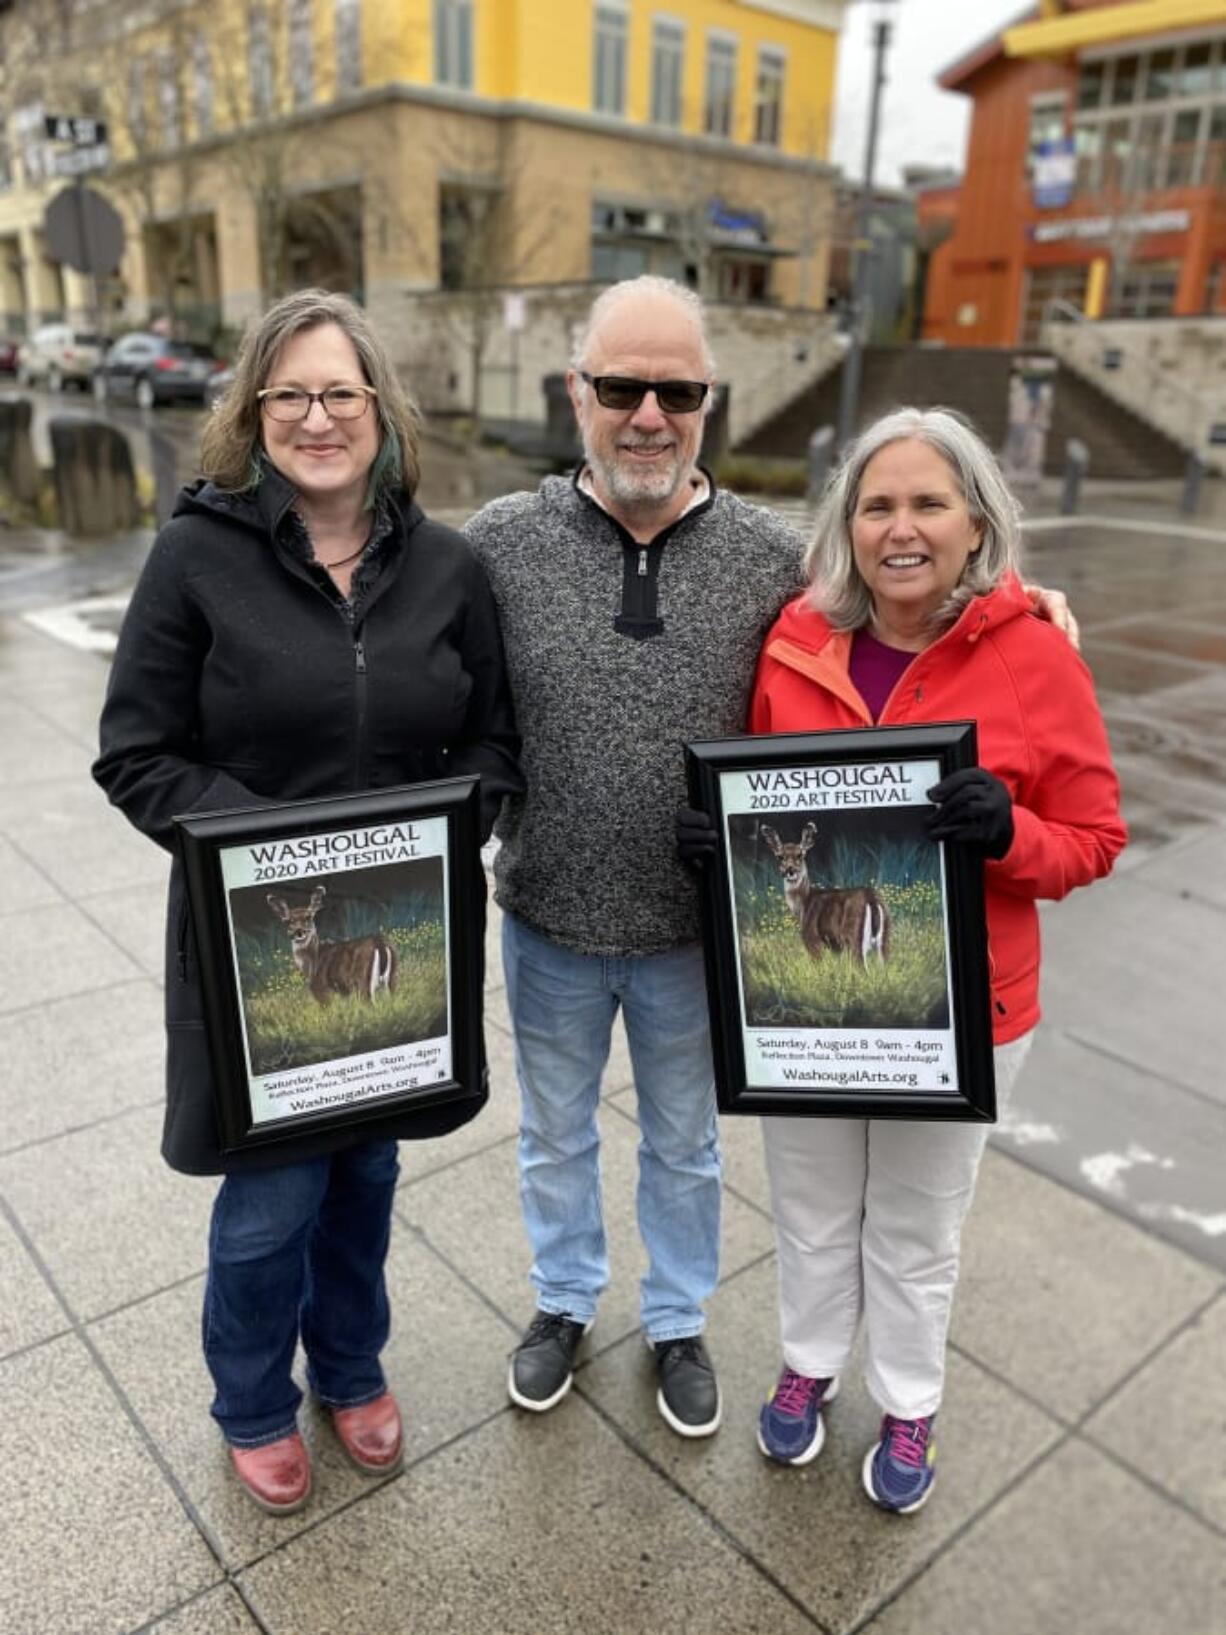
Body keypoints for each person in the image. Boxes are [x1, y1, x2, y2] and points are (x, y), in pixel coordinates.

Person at [464, 277, 1075, 1439]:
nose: (648, 413)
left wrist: (1017, 600)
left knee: (686, 1144)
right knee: (552, 1132)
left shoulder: (774, 555)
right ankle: (560, 1301)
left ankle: (681, 1316)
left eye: (676, 391)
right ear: (576, 390)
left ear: (708, 402)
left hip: (699, 933)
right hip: (543, 910)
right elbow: (398, 630)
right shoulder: (497, 542)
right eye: (621, 387)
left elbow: (909, 593)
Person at [93, 289, 521, 1515]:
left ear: (381, 413)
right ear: (255, 412)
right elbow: (135, 753)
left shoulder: (445, 568)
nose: (318, 417)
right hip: (256, 946)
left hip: (396, 946)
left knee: (366, 1179)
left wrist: (444, 834)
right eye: (292, 394)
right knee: (272, 1193)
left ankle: (349, 1364)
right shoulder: (195, 559)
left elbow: (492, 741)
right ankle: (251, 1400)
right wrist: (275, 851)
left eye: (342, 393)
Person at [737, 406, 1125, 1512]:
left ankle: (907, 1401)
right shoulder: (791, 643)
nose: (898, 528)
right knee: (808, 1206)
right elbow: (763, 811)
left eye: (925, 503)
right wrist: (724, 851)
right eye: (875, 505)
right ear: (846, 526)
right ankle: (808, 1364)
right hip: (808, 1007)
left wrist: (1009, 837)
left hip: (959, 1013)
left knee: (913, 1227)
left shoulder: (1032, 657)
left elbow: (1092, 839)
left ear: (973, 523)